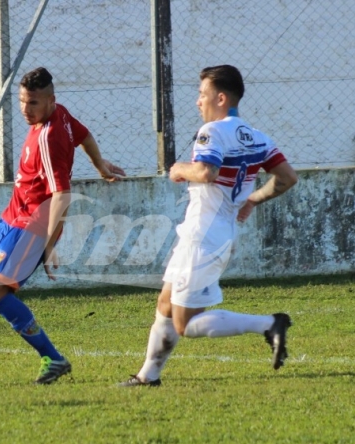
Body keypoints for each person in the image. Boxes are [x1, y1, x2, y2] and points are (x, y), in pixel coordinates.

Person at [119, 64, 298, 387]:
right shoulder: (259, 138)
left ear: (220, 97)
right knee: (165, 302)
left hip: (203, 235)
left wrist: (179, 170)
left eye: (202, 95)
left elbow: (205, 173)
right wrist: (253, 199)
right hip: (213, 232)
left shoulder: (212, 132)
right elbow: (287, 178)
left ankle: (269, 324)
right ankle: (148, 376)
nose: (197, 102)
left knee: (186, 323)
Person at [0, 67, 125, 388]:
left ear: (50, 101)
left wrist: (48, 244)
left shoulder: (49, 136)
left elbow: (63, 194)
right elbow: (84, 135)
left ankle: (53, 358)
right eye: (21, 101)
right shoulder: (60, 114)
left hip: (32, 225)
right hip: (11, 218)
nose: (24, 109)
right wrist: (100, 164)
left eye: (32, 103)